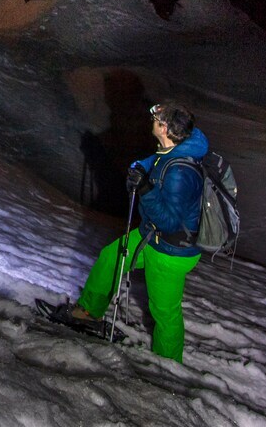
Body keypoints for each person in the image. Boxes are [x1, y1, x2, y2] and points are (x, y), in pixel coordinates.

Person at [63, 101, 208, 363]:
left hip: (171, 251)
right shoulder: (178, 147)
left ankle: (168, 365)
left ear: (164, 129)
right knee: (111, 257)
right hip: (151, 236)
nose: (152, 120)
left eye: (157, 119)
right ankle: (88, 312)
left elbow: (169, 222)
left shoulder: (180, 173)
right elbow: (160, 158)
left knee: (164, 311)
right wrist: (142, 166)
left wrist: (144, 189)